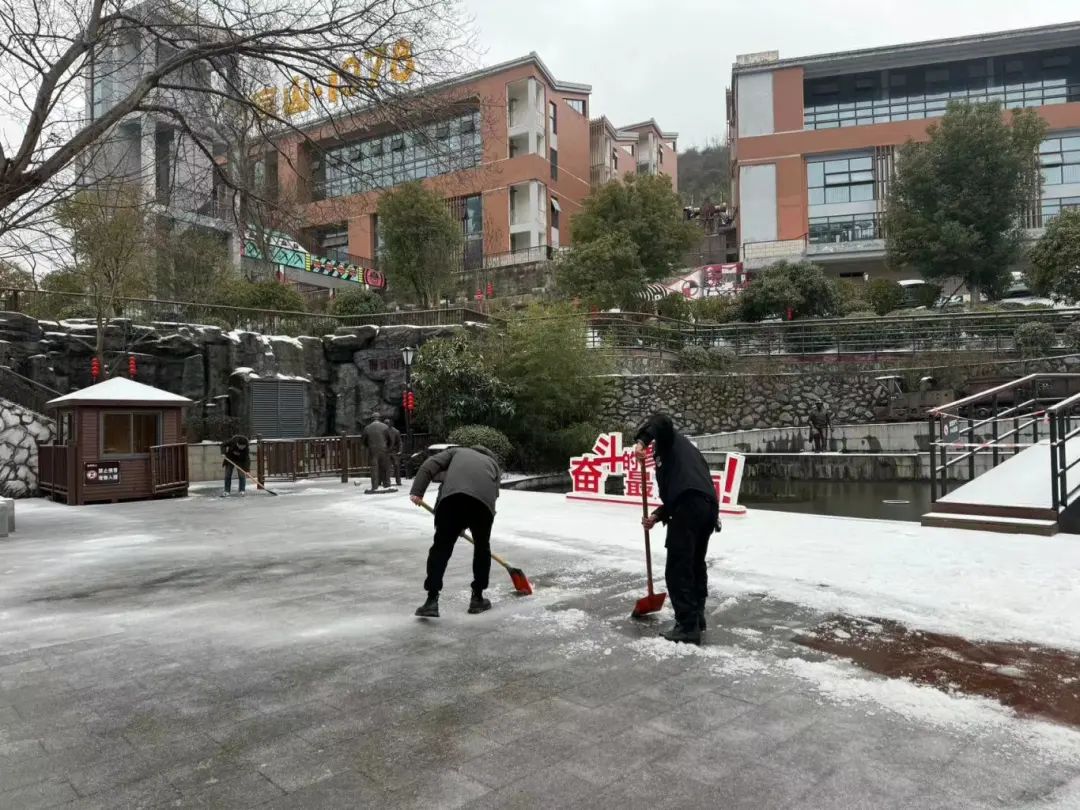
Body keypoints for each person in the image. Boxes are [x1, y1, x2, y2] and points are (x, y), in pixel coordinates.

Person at [634, 414, 719, 645]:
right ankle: (697, 617)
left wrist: (641, 441)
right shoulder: (687, 452)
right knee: (694, 563)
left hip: (690, 507)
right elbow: (687, 489)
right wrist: (656, 515)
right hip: (707, 508)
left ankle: (687, 627)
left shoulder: (668, 438)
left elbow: (661, 419)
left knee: (678, 568)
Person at [410, 446, 501, 618]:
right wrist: (471, 523)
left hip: (452, 501)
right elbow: (492, 495)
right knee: (482, 548)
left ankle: (431, 601)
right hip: (483, 507)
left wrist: (417, 491)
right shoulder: (493, 464)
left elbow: (428, 465)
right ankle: (478, 598)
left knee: (441, 548)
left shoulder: (457, 452)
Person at [362, 413, 393, 491]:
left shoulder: (367, 428)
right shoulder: (385, 427)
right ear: (380, 418)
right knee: (385, 467)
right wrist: (388, 448)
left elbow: (363, 440)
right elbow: (390, 440)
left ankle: (375, 486)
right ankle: (387, 484)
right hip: (384, 449)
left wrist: (369, 446)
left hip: (373, 450)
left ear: (372, 419)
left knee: (374, 468)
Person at [384, 417, 403, 486]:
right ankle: (387, 482)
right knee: (387, 467)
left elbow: (400, 442)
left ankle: (398, 481)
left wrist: (400, 450)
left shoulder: (396, 431)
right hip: (386, 452)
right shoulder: (383, 431)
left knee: (397, 466)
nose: (386, 424)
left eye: (387, 423)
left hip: (394, 452)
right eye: (385, 423)